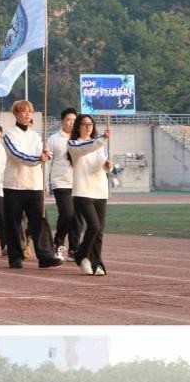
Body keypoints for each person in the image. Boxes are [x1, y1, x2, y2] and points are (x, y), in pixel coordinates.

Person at [1, 100, 62, 269]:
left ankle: (45, 256)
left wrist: (46, 154)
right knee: (14, 224)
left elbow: (47, 154)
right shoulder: (9, 135)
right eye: (23, 111)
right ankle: (15, 257)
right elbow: (17, 155)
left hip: (35, 185)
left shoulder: (35, 136)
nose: (27, 114)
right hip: (14, 185)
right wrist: (38, 158)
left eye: (29, 111)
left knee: (40, 221)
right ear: (15, 114)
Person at [66, 115, 113, 276]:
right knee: (94, 226)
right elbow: (86, 147)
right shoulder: (73, 144)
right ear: (78, 127)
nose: (88, 127)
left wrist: (108, 166)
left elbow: (102, 164)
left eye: (91, 124)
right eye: (84, 124)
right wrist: (102, 138)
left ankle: (95, 262)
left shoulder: (99, 144)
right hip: (83, 191)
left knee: (99, 232)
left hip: (100, 190)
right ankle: (81, 255)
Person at [47, 108, 80, 259]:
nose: (71, 123)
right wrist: (44, 183)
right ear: (62, 121)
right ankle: (58, 243)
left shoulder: (80, 139)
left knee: (77, 218)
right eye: (68, 120)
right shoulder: (54, 139)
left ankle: (74, 249)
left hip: (79, 183)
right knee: (67, 214)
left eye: (74, 120)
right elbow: (47, 162)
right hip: (60, 182)